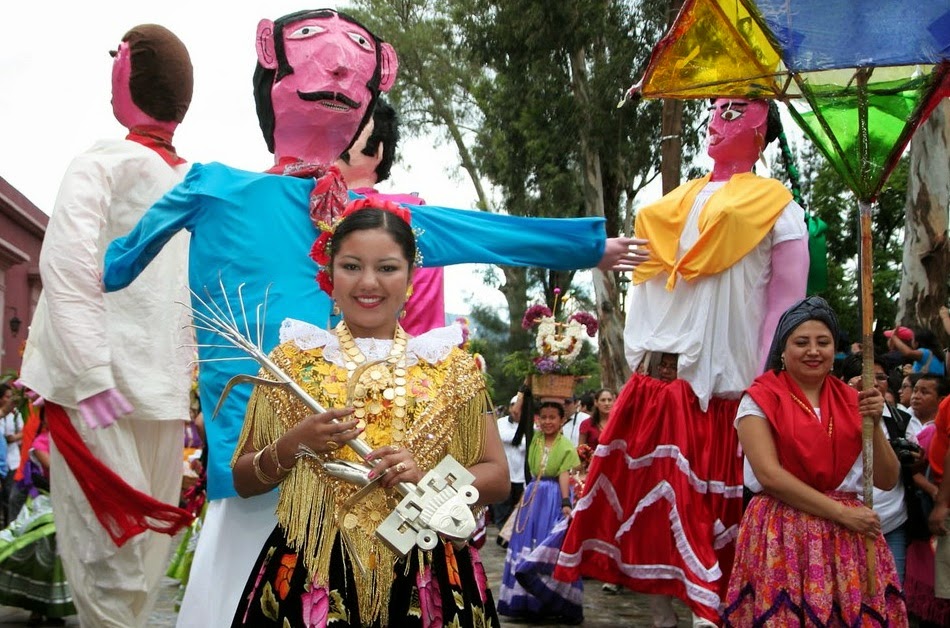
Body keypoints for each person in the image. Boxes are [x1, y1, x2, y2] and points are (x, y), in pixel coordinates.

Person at [101, 10, 646, 626]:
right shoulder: (215, 188)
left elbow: (481, 230)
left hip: (373, 485)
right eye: (312, 46)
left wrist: (586, 248)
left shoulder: (373, 220)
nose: (336, 67)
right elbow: (117, 265)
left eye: (386, 269)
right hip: (257, 463)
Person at [556, 98, 809, 626]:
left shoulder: (778, 208)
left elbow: (785, 310)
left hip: (722, 393)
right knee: (647, 520)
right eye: (715, 109)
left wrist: (768, 388)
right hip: (654, 384)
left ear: (762, 129)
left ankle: (706, 615)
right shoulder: (673, 203)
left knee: (708, 526)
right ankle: (661, 616)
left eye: (735, 112)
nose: (717, 120)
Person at [229, 200, 508, 627]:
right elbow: (243, 480)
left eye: (387, 268)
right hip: (312, 568)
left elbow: (497, 476)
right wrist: (294, 444)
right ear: (330, 274)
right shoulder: (290, 363)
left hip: (426, 569)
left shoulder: (451, 368)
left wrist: (428, 479)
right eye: (352, 266)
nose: (369, 282)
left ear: (411, 278)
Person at [17, 24, 195, 628]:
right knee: (141, 559)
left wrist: (91, 374)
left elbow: (66, 266)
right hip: (161, 392)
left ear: (127, 74)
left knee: (106, 560)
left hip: (99, 392)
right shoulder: (195, 182)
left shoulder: (102, 163)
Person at [721, 296, 907, 625]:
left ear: (834, 350)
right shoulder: (759, 399)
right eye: (801, 342)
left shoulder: (855, 400)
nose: (813, 351)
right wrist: (841, 514)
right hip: (784, 531)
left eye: (823, 342)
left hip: (846, 539)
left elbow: (887, 478)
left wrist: (875, 423)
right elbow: (769, 475)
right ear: (782, 349)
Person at [335, 97, 446, 335]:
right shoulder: (287, 200)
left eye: (346, 131)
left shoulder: (410, 214)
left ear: (378, 149)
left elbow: (422, 317)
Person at [498, 401, 582, 623]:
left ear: (562, 420)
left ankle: (548, 602)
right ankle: (524, 602)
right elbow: (516, 411)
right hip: (533, 495)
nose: (547, 421)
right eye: (543, 417)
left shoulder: (565, 446)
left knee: (546, 543)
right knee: (527, 542)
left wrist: (565, 501)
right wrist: (526, 388)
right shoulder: (535, 439)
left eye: (552, 417)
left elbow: (563, 474)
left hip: (552, 495)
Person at [841, 352, 919, 582]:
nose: (874, 383)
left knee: (892, 591)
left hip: (892, 523)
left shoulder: (901, 419)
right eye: (865, 376)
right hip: (844, 524)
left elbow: (893, 477)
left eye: (881, 377)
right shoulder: (831, 417)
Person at [0, 410, 75, 626]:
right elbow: (55, 469)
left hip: (68, 503)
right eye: (50, 415)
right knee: (40, 551)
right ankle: (36, 609)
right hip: (44, 502)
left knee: (60, 556)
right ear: (44, 419)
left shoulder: (72, 441)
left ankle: (53, 609)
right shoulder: (42, 442)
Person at [493, 396, 526, 535]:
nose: (516, 410)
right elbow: (501, 436)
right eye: (513, 405)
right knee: (502, 508)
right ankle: (502, 536)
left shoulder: (531, 426)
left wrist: (517, 440)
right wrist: (519, 439)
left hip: (522, 476)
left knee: (519, 511)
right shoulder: (501, 422)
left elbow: (526, 444)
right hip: (504, 473)